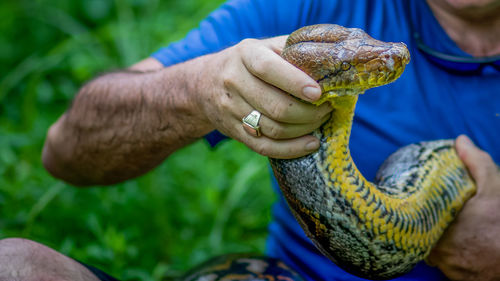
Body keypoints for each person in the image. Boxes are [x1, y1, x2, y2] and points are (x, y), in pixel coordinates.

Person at [1, 0, 499, 280]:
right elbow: (65, 151)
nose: (388, 57)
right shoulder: (311, 9)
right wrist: (199, 88)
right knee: (16, 267)